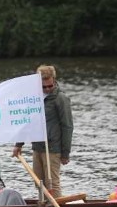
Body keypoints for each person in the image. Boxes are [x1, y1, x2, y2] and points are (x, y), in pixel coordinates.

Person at [13, 64, 73, 197]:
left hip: (53, 148)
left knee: (52, 183)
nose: (47, 89)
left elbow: (67, 126)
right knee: (39, 182)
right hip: (37, 146)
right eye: (43, 87)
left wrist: (65, 153)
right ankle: (44, 206)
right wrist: (19, 144)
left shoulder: (60, 99)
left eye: (50, 86)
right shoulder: (34, 99)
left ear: (54, 80)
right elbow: (27, 122)